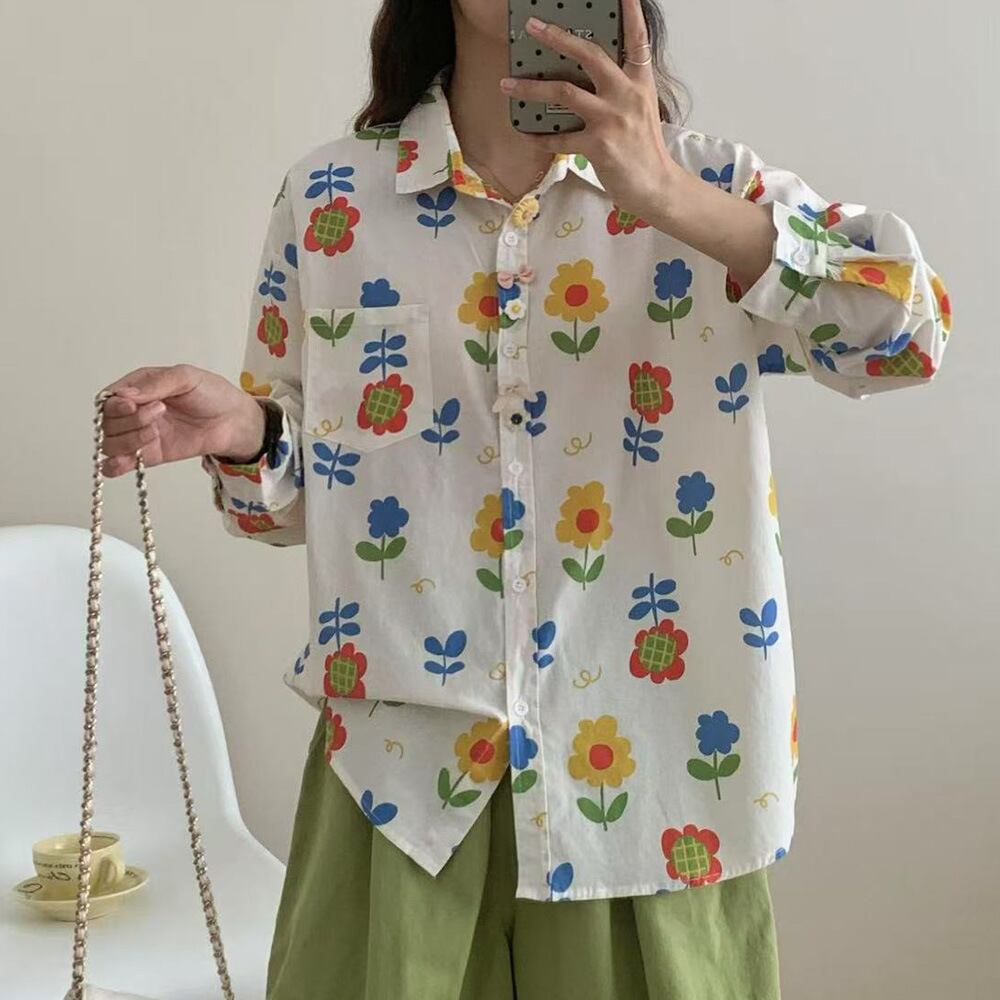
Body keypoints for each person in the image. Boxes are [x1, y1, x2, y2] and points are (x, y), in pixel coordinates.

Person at [98, 1, 953, 997]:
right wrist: (248, 436)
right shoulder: (332, 201)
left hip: (652, 785)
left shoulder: (711, 191)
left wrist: (667, 195)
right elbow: (285, 511)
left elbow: (908, 336)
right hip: (402, 784)